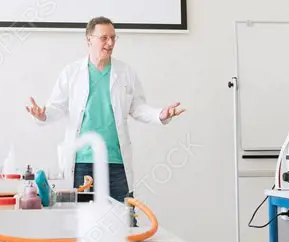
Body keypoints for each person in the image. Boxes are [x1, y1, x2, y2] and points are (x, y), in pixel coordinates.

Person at [25, 16, 185, 203]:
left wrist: (160, 115)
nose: (110, 43)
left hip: (116, 163)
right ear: (89, 39)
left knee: (124, 220)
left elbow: (138, 107)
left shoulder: (125, 72)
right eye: (104, 38)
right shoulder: (71, 72)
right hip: (83, 162)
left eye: (113, 38)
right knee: (82, 221)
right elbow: (56, 107)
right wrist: (42, 115)